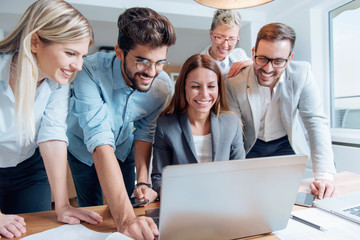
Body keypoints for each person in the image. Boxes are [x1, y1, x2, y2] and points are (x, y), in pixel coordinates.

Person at [66, 7, 176, 240]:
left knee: (130, 201)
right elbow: (99, 139)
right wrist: (126, 221)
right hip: (83, 150)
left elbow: (145, 133)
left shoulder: (162, 86)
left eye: (160, 63)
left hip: (124, 148)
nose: (151, 72)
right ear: (119, 52)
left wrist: (143, 180)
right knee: (93, 211)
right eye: (143, 61)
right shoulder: (89, 70)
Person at [0, 0, 103, 238]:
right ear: (35, 42)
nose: (77, 65)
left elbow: (53, 135)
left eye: (82, 55)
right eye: (70, 53)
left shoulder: (57, 83)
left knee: (36, 233)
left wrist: (64, 204)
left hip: (28, 170)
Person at [226, 23, 337, 200]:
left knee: (288, 200)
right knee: (248, 198)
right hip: (250, 147)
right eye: (262, 58)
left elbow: (315, 122)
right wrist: (234, 172)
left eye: (278, 61)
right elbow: (233, 132)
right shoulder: (234, 82)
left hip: (287, 145)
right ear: (254, 51)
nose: (268, 69)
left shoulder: (303, 74)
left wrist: (324, 175)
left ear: (290, 58)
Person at [151, 54, 246, 197]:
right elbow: (159, 178)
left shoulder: (231, 123)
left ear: (219, 88)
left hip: (224, 203)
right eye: (195, 86)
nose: (204, 94)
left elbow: (241, 174)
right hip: (183, 205)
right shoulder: (166, 126)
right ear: (183, 88)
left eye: (211, 86)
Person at [202, 9, 252, 79]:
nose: (225, 45)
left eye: (231, 39)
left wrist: (252, 65)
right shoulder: (198, 63)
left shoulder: (240, 55)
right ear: (211, 34)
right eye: (220, 37)